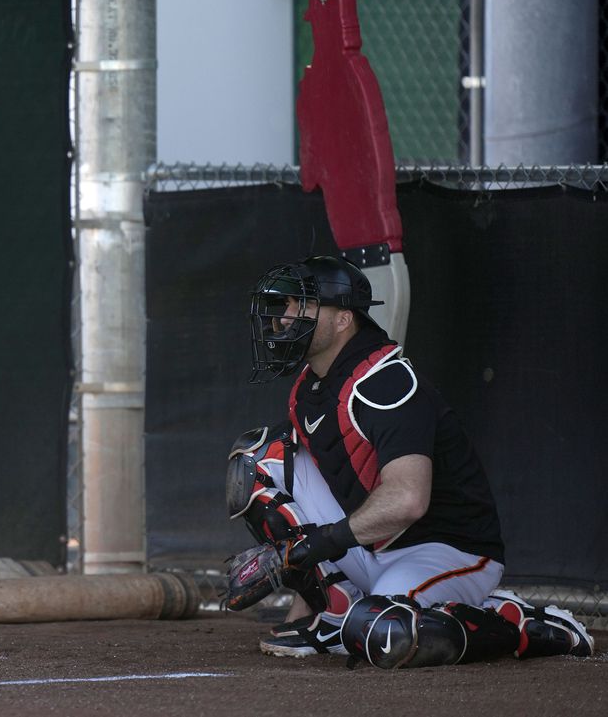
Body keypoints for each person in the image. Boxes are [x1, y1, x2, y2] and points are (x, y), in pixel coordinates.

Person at [224, 255, 593, 668]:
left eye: (301, 305)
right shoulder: (312, 385)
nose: (285, 317)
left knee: (381, 631)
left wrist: (313, 545)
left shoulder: (386, 380)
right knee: (257, 461)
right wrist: (301, 589)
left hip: (447, 551)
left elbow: (407, 500)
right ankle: (331, 610)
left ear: (344, 319)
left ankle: (518, 624)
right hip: (373, 544)